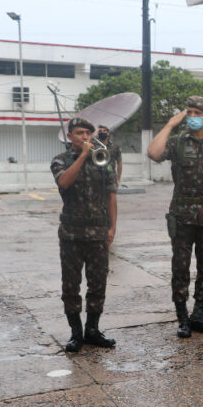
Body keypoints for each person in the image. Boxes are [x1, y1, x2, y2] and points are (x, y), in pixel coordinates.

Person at [147, 96, 203, 336]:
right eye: (189, 112)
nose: (192, 117)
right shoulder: (177, 143)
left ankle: (199, 315)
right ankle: (182, 318)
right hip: (182, 214)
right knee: (180, 268)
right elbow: (153, 153)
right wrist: (170, 124)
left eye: (197, 112)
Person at [51, 117, 118, 352]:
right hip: (71, 233)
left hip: (98, 232)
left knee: (97, 284)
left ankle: (92, 329)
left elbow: (111, 194)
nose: (85, 137)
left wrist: (112, 228)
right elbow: (64, 183)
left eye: (88, 133)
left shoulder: (103, 159)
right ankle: (75, 333)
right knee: (71, 285)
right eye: (80, 133)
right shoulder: (60, 160)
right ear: (70, 136)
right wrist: (82, 156)